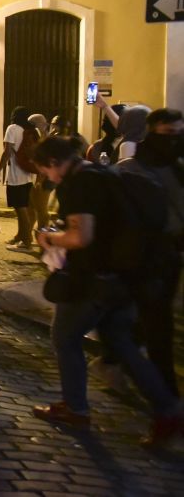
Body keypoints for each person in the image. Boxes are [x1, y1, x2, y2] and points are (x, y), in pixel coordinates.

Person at [31, 135, 183, 446]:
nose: (46, 177)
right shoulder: (104, 172)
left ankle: (76, 408)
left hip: (93, 279)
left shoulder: (77, 184)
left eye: (45, 171)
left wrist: (49, 239)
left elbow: (82, 236)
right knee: (122, 344)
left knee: (64, 337)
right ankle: (170, 410)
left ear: (52, 163)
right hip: (125, 275)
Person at [117, 108, 184, 397]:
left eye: (179, 134)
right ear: (152, 131)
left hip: (169, 256)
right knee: (150, 324)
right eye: (168, 133)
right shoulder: (133, 168)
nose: (174, 140)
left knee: (153, 323)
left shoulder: (177, 167)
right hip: (141, 256)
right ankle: (165, 398)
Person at [0, 106, 37, 250]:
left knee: (20, 208)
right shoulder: (28, 130)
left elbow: (7, 152)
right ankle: (20, 235)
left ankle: (26, 241)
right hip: (27, 175)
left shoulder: (12, 128)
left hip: (16, 175)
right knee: (23, 206)